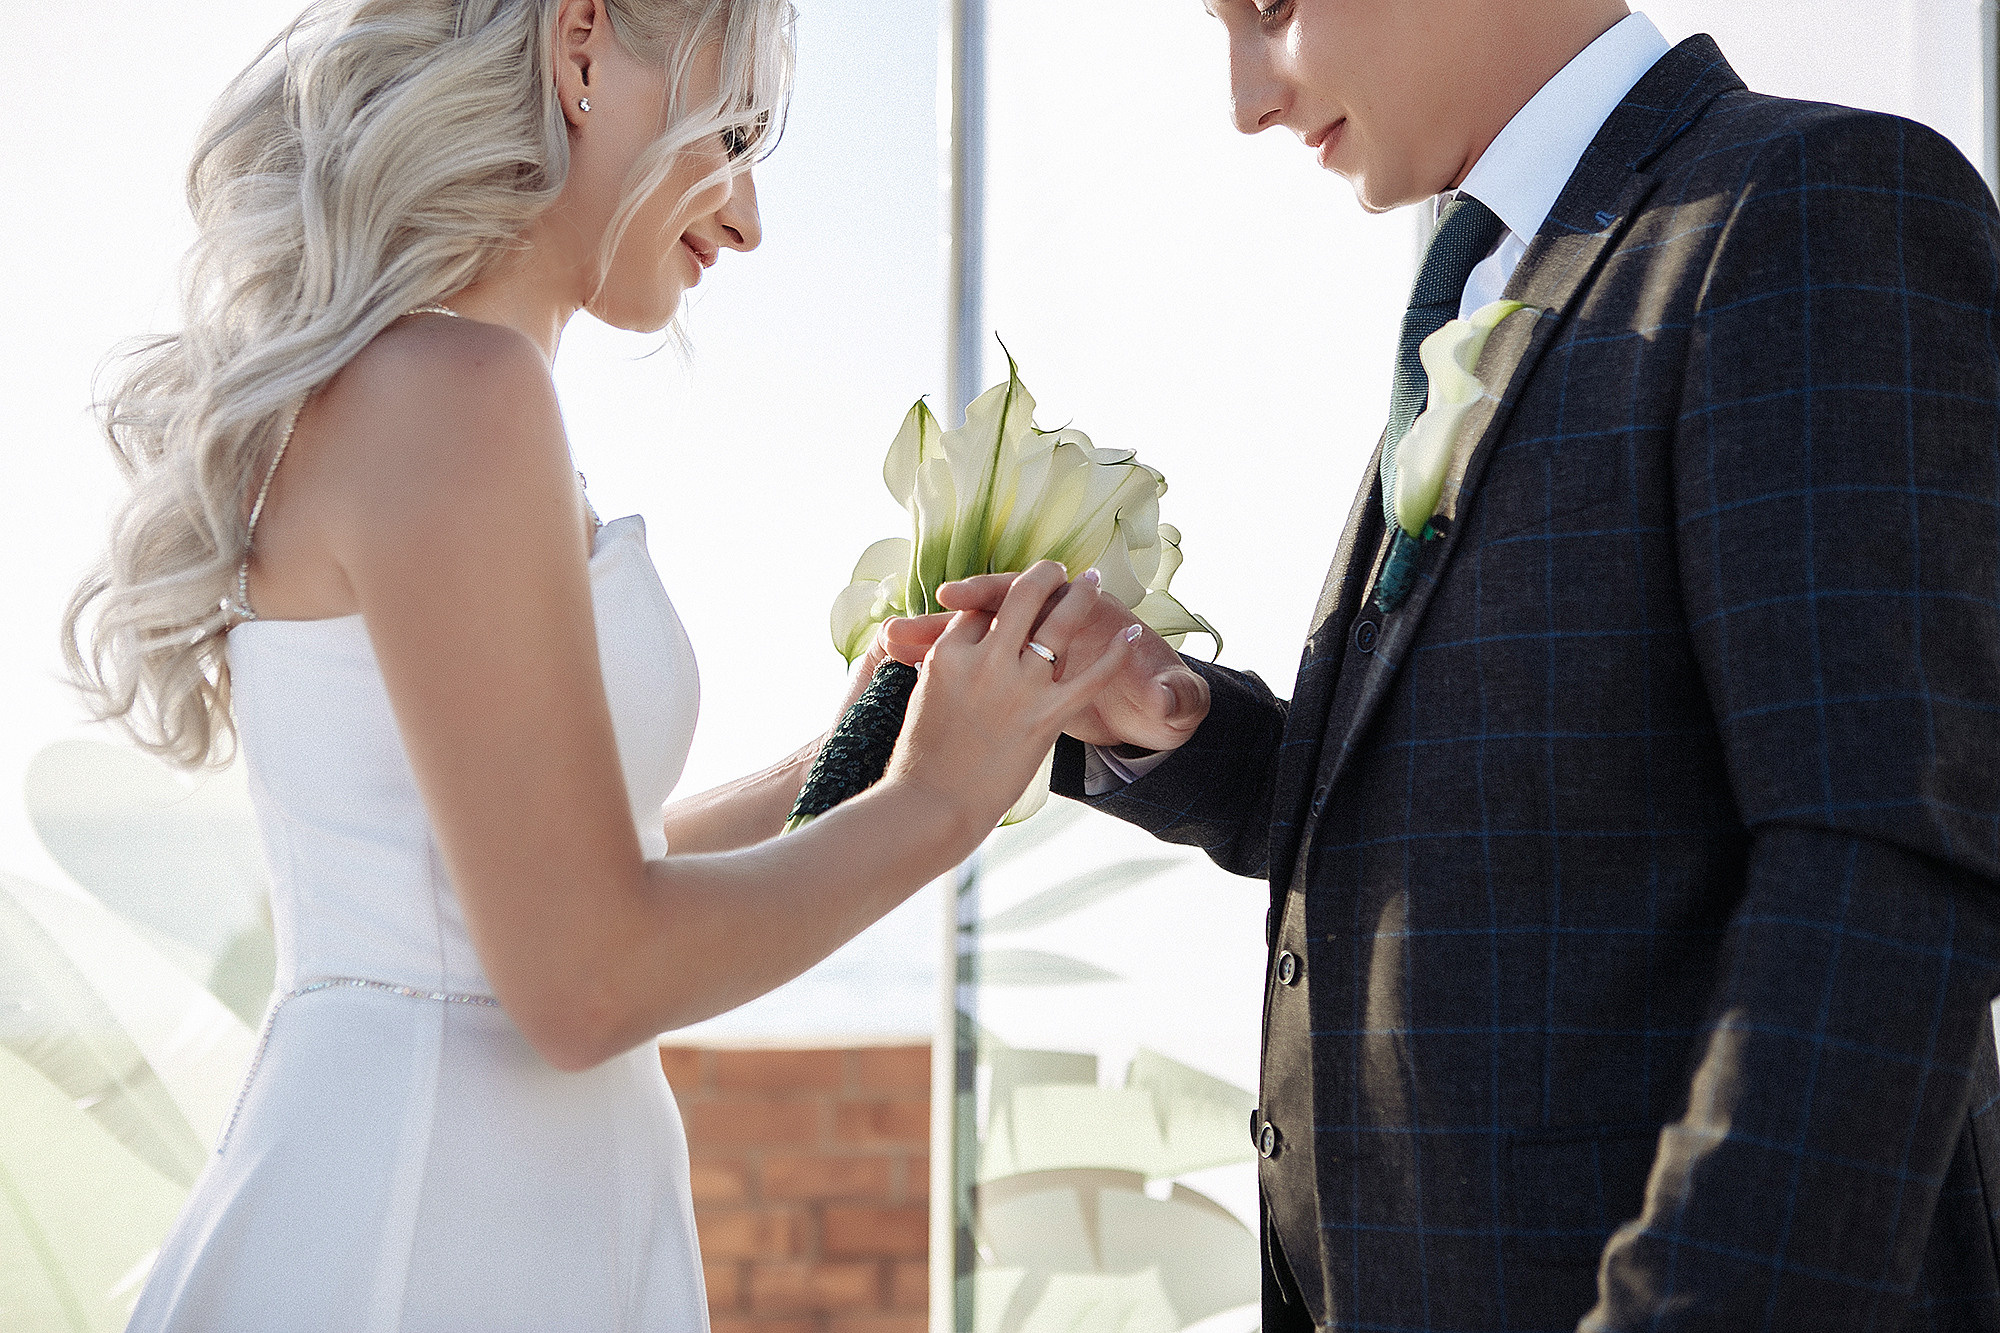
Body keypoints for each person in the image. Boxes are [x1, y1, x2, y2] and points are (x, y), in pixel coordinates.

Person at [904, 0, 2000, 1327]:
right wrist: (1174, 716)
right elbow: (1499, 815)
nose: (1246, 96)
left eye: (1269, 8)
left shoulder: (1813, 209)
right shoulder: (1486, 278)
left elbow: (1884, 868)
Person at [61, 0, 1129, 1326]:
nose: (747, 220)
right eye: (731, 133)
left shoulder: (418, 392)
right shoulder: (457, 393)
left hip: (452, 1188)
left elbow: (558, 871)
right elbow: (583, 978)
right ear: (580, 49)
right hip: (436, 1233)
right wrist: (934, 808)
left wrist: (859, 748)